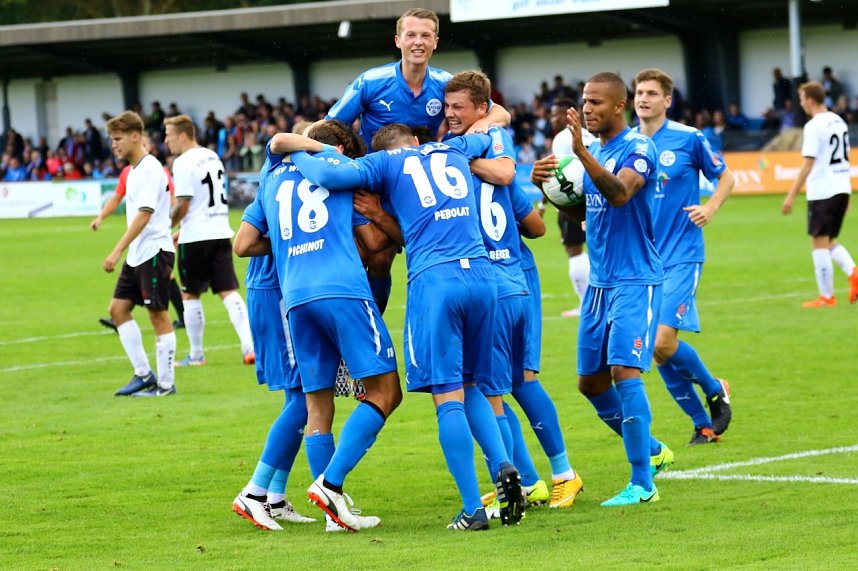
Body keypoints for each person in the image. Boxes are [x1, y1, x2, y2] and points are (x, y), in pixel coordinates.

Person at [281, 123, 527, 530]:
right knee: (474, 385)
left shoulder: (383, 164)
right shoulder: (456, 148)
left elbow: (326, 175)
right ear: (416, 141)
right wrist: (489, 140)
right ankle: (503, 462)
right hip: (484, 278)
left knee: (447, 395)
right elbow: (493, 132)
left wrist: (294, 150)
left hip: (437, 281)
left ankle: (472, 509)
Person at [234, 121, 402, 533]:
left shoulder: (273, 176)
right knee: (387, 391)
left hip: (294, 296)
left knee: (315, 404)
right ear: (341, 146)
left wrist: (293, 243)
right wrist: (383, 221)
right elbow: (377, 245)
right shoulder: (339, 169)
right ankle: (330, 485)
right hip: (341, 290)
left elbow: (243, 244)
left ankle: (332, 514)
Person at [446, 70, 583, 514]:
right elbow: (538, 226)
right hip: (519, 277)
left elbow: (503, 171)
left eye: (457, 108)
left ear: (479, 110)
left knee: (489, 391)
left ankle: (536, 478)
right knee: (520, 383)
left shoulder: (450, 166)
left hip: (490, 287)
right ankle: (545, 475)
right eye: (446, 108)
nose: (449, 115)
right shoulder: (494, 146)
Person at [325, 7, 510, 316]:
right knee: (375, 255)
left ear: (436, 42)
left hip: (424, 188)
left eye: (425, 35)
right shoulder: (370, 82)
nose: (418, 42)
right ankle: (369, 331)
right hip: (377, 183)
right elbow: (330, 128)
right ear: (398, 40)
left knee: (430, 252)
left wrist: (478, 129)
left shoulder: (444, 83)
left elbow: (499, 113)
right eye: (411, 35)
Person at [542, 72, 672, 506]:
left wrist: (579, 153)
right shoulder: (594, 152)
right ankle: (653, 448)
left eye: (597, 102)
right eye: (585, 101)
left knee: (624, 372)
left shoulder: (638, 149)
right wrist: (551, 184)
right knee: (590, 383)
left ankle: (643, 483)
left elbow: (620, 194)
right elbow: (591, 205)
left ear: (620, 106)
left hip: (636, 280)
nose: (588, 109)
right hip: (599, 284)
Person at [633, 68, 735, 445]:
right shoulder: (626, 143)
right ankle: (702, 425)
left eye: (651, 93)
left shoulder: (688, 138)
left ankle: (713, 390)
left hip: (682, 254)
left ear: (667, 100)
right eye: (639, 92)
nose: (643, 98)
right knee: (658, 352)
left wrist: (710, 208)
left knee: (661, 341)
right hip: (641, 260)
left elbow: (726, 177)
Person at [229, 157, 315, 532]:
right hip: (275, 294)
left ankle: (274, 497)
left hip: (281, 292)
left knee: (298, 397)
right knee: (302, 397)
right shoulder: (276, 183)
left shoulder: (282, 180)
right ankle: (254, 491)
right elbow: (243, 244)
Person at [163, 115, 255, 366]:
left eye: (168, 135)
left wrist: (165, 227)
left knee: (190, 294)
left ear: (182, 135)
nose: (165, 140)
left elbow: (183, 204)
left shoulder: (182, 162)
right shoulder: (212, 156)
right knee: (229, 292)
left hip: (196, 237)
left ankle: (196, 355)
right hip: (220, 231)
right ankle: (249, 346)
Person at [103, 111, 177, 397]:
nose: (114, 145)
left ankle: (167, 385)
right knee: (117, 310)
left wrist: (117, 249)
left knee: (158, 314)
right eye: (111, 140)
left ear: (136, 136)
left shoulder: (149, 169)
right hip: (139, 253)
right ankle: (144, 374)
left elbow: (145, 214)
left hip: (154, 251)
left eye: (118, 138)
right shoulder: (134, 170)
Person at [782, 81, 858, 307]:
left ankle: (827, 296)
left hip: (823, 190)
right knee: (829, 241)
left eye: (802, 98)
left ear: (811, 100)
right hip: (840, 188)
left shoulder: (814, 126)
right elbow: (845, 158)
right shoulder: (839, 121)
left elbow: (807, 164)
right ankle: (853, 272)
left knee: (818, 243)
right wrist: (848, 191)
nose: (801, 103)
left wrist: (791, 195)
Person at [91, 159, 185, 332]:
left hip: (156, 241)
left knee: (158, 310)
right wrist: (100, 217)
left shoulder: (157, 170)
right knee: (152, 284)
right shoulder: (127, 172)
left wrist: (179, 225)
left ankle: (183, 317)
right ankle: (121, 315)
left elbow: (172, 200)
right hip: (140, 244)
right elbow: (116, 198)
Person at [533, 97, 596, 317]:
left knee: (574, 250)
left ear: (570, 113)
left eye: (557, 114)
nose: (553, 119)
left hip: (572, 202)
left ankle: (585, 305)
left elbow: (555, 177)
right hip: (594, 201)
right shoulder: (585, 134)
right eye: (551, 114)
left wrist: (544, 203)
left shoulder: (562, 138)